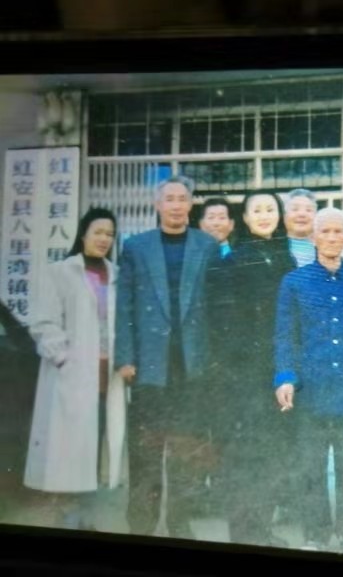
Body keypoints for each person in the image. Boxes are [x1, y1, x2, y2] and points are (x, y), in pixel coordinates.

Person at [115, 175, 219, 539]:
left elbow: (216, 305)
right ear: (157, 205)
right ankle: (141, 525)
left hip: (192, 364)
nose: (176, 205)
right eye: (169, 199)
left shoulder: (207, 245)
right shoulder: (136, 246)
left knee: (187, 450)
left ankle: (180, 524)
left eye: (182, 198)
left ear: (191, 204)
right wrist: (125, 357)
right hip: (149, 365)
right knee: (146, 449)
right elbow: (124, 305)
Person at [274, 207, 343, 555]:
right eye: (325, 232)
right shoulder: (295, 282)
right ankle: (316, 535)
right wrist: (286, 378)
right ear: (314, 237)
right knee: (311, 468)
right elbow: (285, 336)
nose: (332, 238)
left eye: (338, 232)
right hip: (311, 391)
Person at [24, 208, 126, 531]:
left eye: (110, 234)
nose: (104, 239)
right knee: (70, 445)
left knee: (98, 440)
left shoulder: (117, 274)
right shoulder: (61, 272)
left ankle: (88, 511)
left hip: (107, 373)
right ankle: (69, 512)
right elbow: (43, 322)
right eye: (98, 232)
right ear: (83, 234)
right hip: (72, 373)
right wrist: (64, 358)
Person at [205, 189, 296, 547]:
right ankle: (243, 534)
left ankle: (263, 529)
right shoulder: (233, 260)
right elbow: (223, 323)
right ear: (244, 218)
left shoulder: (286, 257)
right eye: (256, 210)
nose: (264, 215)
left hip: (280, 369)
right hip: (244, 372)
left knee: (274, 451)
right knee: (245, 454)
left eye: (270, 209)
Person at [283, 188, 317, 267]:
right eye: (295, 209)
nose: (302, 214)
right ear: (284, 215)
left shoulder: (325, 246)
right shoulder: (275, 247)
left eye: (308, 210)